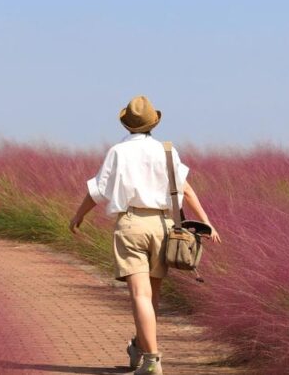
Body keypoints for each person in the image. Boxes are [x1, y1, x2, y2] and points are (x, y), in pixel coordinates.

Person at [68, 95, 221, 375]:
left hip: (131, 224)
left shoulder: (117, 151)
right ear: (154, 123)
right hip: (163, 227)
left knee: (139, 294)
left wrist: (79, 216)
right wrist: (206, 221)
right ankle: (139, 347)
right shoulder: (167, 151)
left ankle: (152, 361)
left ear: (127, 125)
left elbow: (98, 192)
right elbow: (185, 189)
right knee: (152, 297)